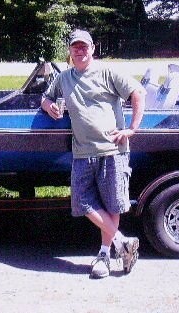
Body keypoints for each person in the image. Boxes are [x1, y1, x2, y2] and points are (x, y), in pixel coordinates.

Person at [41, 29, 146, 278]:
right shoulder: (64, 78)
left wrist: (132, 129)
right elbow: (45, 97)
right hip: (82, 152)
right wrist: (50, 107)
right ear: (69, 51)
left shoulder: (107, 72)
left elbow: (138, 93)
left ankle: (105, 255)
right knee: (82, 202)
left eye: (84, 46)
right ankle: (123, 243)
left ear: (92, 49)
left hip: (112, 150)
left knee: (112, 206)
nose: (80, 50)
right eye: (75, 47)